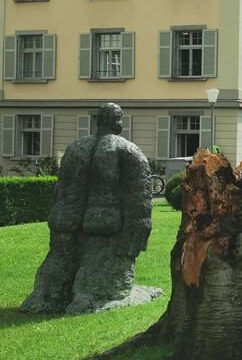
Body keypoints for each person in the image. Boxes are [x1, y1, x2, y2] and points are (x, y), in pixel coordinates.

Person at [21, 103, 161, 314]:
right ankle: (87, 298)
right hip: (105, 224)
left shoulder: (75, 148)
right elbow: (139, 193)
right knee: (98, 274)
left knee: (60, 263)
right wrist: (141, 222)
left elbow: (60, 189)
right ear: (118, 122)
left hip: (66, 222)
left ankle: (45, 296)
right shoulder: (127, 149)